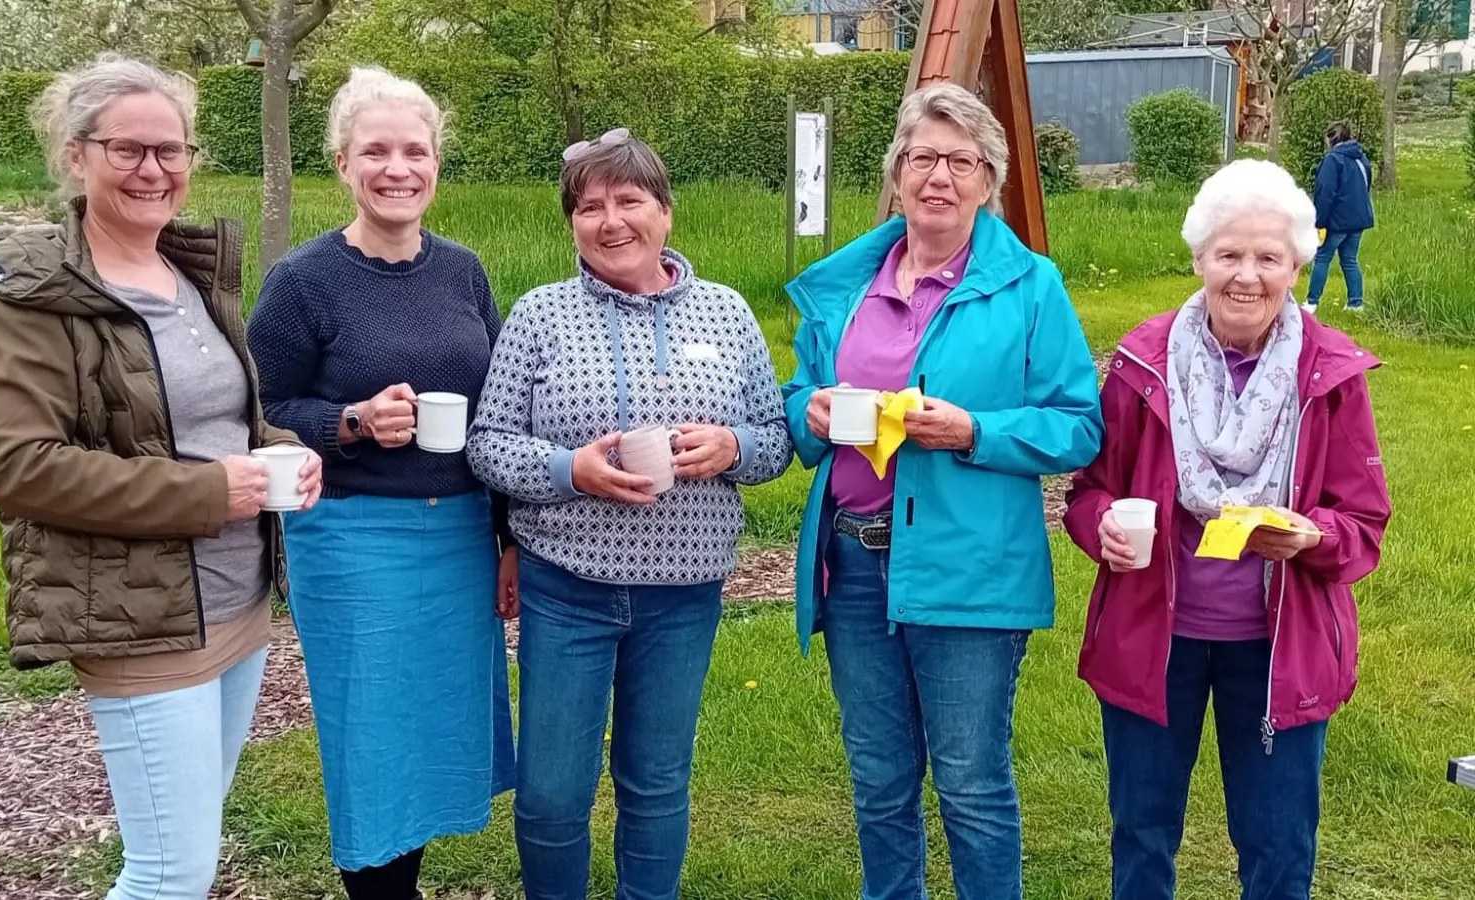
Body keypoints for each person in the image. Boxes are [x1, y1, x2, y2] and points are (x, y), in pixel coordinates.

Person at [0, 54, 322, 900]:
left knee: (187, 840)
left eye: (172, 150)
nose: (154, 170)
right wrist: (208, 493)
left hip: (234, 605)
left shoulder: (187, 274)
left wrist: (279, 446)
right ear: (75, 155)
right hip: (136, 615)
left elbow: (206, 418)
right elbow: (18, 467)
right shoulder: (26, 295)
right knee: (170, 873)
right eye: (128, 149)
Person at [780, 82, 1103, 900]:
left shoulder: (1030, 285)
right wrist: (811, 412)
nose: (939, 177)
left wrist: (973, 432)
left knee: (970, 783)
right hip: (853, 562)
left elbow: (1078, 425)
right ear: (896, 175)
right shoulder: (848, 286)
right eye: (922, 158)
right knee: (881, 782)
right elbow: (800, 403)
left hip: (970, 567)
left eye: (961, 162)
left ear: (989, 180)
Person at [466, 129, 792, 900]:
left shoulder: (727, 311)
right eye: (590, 207)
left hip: (684, 593)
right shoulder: (542, 314)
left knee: (656, 780)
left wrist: (734, 447)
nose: (611, 221)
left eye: (629, 201)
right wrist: (566, 469)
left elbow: (777, 441)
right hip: (567, 588)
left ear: (666, 213)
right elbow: (487, 445)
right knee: (550, 793)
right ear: (572, 223)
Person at [1064, 159, 1392, 900]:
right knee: (1142, 835)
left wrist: (1313, 538)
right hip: (1156, 634)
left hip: (1281, 644)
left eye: (1269, 258)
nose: (1247, 276)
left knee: (1277, 846)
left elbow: (1364, 521)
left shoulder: (1331, 374)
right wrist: (1102, 529)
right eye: (1229, 254)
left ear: (1297, 266)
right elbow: (1088, 494)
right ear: (1199, 260)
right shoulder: (1142, 362)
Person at [245, 67, 516, 900]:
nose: (397, 168)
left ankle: (409, 880)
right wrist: (350, 422)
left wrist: (508, 538)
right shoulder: (303, 280)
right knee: (373, 736)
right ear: (341, 164)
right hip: (356, 534)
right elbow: (257, 405)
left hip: (461, 533)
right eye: (375, 151)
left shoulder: (463, 271)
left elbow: (501, 411)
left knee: (437, 723)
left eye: (414, 150)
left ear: (436, 162)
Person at [1303, 122, 1374, 314]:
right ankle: (1355, 303)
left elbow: (1326, 192)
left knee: (1322, 258)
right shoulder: (1361, 158)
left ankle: (1311, 302)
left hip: (1337, 221)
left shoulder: (1333, 159)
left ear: (1331, 139)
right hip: (1358, 220)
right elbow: (1366, 186)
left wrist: (1319, 222)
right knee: (1350, 259)